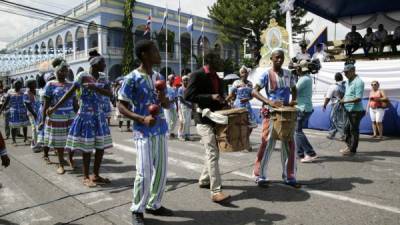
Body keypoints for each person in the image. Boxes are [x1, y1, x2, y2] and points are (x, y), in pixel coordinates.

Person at [118, 40, 173, 225]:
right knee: (144, 172)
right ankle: (137, 209)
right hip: (143, 130)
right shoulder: (131, 78)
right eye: (155, 51)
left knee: (162, 170)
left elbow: (167, 104)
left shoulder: (158, 76)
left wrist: (163, 98)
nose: (158, 54)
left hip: (161, 128)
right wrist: (141, 119)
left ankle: (154, 204)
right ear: (144, 54)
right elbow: (121, 105)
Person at [47, 51, 113, 187]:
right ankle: (85, 176)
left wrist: (96, 88)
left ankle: (95, 175)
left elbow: (110, 93)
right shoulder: (82, 76)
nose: (105, 65)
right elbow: (70, 93)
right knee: (86, 147)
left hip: (99, 116)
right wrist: (54, 108)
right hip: (85, 115)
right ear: (94, 65)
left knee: (100, 148)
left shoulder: (103, 77)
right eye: (102, 63)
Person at [184, 51, 232, 203]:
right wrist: (210, 97)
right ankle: (216, 191)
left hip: (215, 118)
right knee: (212, 153)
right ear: (210, 61)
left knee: (213, 152)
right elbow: (188, 96)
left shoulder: (217, 77)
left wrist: (224, 100)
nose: (221, 62)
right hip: (202, 118)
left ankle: (204, 179)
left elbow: (217, 97)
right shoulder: (197, 75)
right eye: (218, 59)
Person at [251, 49, 300, 188]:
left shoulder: (288, 74)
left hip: (286, 114)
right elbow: (254, 91)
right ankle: (259, 175)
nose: (279, 60)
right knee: (266, 143)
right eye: (277, 57)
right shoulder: (266, 74)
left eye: (282, 58)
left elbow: (294, 88)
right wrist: (268, 102)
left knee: (289, 145)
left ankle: (289, 176)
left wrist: (293, 100)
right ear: (271, 58)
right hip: (271, 113)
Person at [40, 58, 77, 174]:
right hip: (56, 117)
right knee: (60, 142)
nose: (64, 73)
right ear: (56, 71)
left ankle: (70, 158)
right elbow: (46, 104)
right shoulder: (50, 85)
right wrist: (42, 120)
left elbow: (75, 103)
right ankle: (61, 164)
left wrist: (78, 116)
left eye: (66, 70)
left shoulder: (71, 84)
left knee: (72, 140)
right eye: (61, 70)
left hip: (71, 116)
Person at [226, 65, 257, 151]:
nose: (244, 74)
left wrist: (248, 98)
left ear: (248, 73)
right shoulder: (236, 83)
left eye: (245, 72)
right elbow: (231, 95)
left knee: (250, 125)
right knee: (240, 125)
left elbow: (253, 95)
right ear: (240, 74)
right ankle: (244, 144)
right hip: (238, 106)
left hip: (247, 106)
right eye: (242, 73)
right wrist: (225, 101)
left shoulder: (250, 84)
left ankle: (245, 140)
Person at [293, 60, 317, 163]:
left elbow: (294, 90)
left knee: (298, 131)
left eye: (297, 68)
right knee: (297, 131)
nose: (296, 70)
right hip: (305, 107)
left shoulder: (303, 79)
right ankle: (300, 154)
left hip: (302, 108)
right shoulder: (307, 78)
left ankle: (311, 153)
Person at [340, 64, 365, 156]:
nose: (345, 74)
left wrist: (345, 101)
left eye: (347, 72)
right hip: (348, 109)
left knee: (354, 130)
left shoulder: (359, 82)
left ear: (353, 71)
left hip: (356, 111)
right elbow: (348, 94)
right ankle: (349, 146)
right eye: (344, 72)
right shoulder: (347, 81)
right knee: (346, 129)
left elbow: (358, 98)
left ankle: (352, 150)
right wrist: (343, 99)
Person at [0, 80, 32, 145]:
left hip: (23, 111)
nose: (17, 85)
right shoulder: (10, 93)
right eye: (16, 84)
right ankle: (14, 140)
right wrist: (1, 110)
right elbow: (5, 102)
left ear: (21, 85)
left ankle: (25, 139)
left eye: (19, 84)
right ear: (14, 85)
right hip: (14, 112)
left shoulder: (23, 92)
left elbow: (28, 102)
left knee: (24, 126)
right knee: (13, 127)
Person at [37, 72, 55, 164]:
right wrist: (43, 120)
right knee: (46, 134)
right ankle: (45, 154)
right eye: (51, 79)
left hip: (54, 112)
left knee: (54, 133)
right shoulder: (44, 90)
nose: (53, 80)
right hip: (46, 112)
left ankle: (55, 150)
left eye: (53, 78)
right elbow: (44, 106)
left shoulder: (56, 87)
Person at [323, 72, 346, 140]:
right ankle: (332, 134)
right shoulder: (345, 85)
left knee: (334, 119)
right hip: (345, 104)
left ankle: (343, 135)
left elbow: (328, 97)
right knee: (341, 119)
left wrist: (324, 105)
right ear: (342, 77)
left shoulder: (333, 86)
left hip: (336, 104)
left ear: (335, 78)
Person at [24, 79, 41, 152]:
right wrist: (34, 114)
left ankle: (39, 143)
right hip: (32, 114)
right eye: (34, 83)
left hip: (39, 112)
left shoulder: (37, 91)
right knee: (34, 128)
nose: (36, 84)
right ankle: (34, 145)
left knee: (40, 128)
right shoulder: (26, 94)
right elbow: (28, 106)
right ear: (30, 85)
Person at [177, 75, 192, 141]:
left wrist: (191, 105)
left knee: (188, 121)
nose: (186, 81)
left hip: (189, 106)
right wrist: (187, 104)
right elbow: (180, 99)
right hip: (182, 106)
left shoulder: (189, 88)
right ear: (182, 81)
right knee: (183, 121)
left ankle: (187, 134)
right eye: (184, 80)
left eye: (187, 80)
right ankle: (180, 135)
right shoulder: (180, 89)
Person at [164, 74, 178, 139]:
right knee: (168, 120)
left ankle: (170, 131)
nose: (173, 79)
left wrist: (177, 106)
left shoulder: (174, 88)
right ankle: (168, 133)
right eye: (172, 78)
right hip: (167, 106)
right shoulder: (165, 87)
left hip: (173, 106)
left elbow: (176, 98)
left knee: (175, 119)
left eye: (173, 78)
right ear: (168, 79)